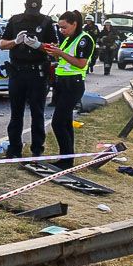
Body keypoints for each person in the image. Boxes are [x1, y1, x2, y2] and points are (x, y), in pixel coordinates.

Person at [0, 0, 57, 159]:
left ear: (40, 7)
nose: (33, 12)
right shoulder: (15, 21)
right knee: (16, 113)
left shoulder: (46, 22)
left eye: (36, 9)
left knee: (37, 113)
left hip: (37, 73)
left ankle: (37, 149)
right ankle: (14, 149)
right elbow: (2, 45)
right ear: (24, 5)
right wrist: (16, 42)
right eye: (31, 8)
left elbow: (55, 48)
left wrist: (39, 46)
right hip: (17, 72)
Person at [41, 10, 96, 169]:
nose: (61, 30)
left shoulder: (84, 39)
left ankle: (65, 159)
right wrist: (54, 51)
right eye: (59, 27)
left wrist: (60, 53)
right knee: (65, 122)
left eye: (64, 27)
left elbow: (80, 63)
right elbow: (62, 58)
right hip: (62, 83)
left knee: (57, 123)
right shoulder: (68, 39)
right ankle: (67, 159)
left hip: (74, 83)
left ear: (74, 24)